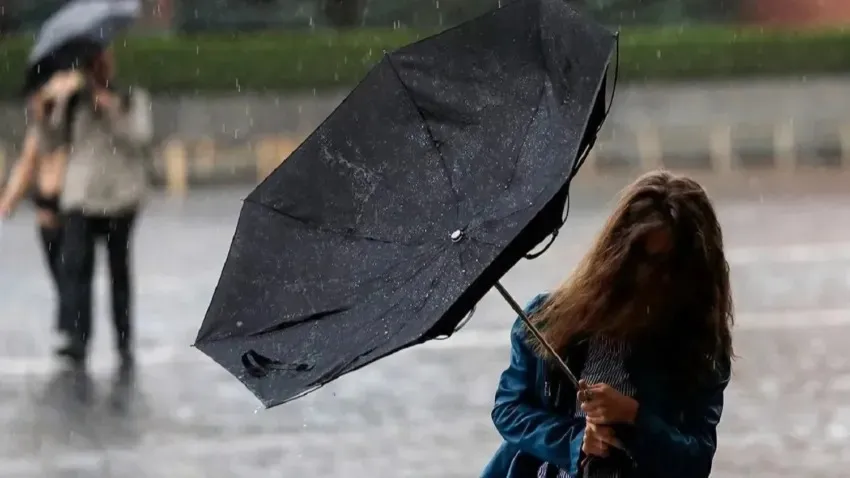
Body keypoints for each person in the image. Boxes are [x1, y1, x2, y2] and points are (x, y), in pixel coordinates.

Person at [481, 171, 734, 478]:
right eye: (644, 259)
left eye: (670, 267)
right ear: (618, 253)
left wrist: (634, 417)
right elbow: (510, 410)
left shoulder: (699, 348)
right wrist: (576, 442)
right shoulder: (548, 319)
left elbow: (694, 462)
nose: (653, 278)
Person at [54, 46, 153, 368]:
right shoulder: (72, 100)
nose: (100, 69)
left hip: (119, 198)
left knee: (118, 272)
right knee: (77, 269)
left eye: (104, 62)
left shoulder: (130, 97)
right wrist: (52, 104)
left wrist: (111, 110)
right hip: (81, 198)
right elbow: (52, 137)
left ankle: (124, 339)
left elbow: (141, 137)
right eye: (93, 63)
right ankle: (77, 339)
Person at [0, 71, 84, 339]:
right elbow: (24, 168)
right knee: (60, 273)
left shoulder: (72, 130)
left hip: (70, 207)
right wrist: (8, 202)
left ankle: (72, 327)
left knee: (71, 271)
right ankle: (70, 324)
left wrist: (58, 93)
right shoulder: (38, 135)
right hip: (47, 211)